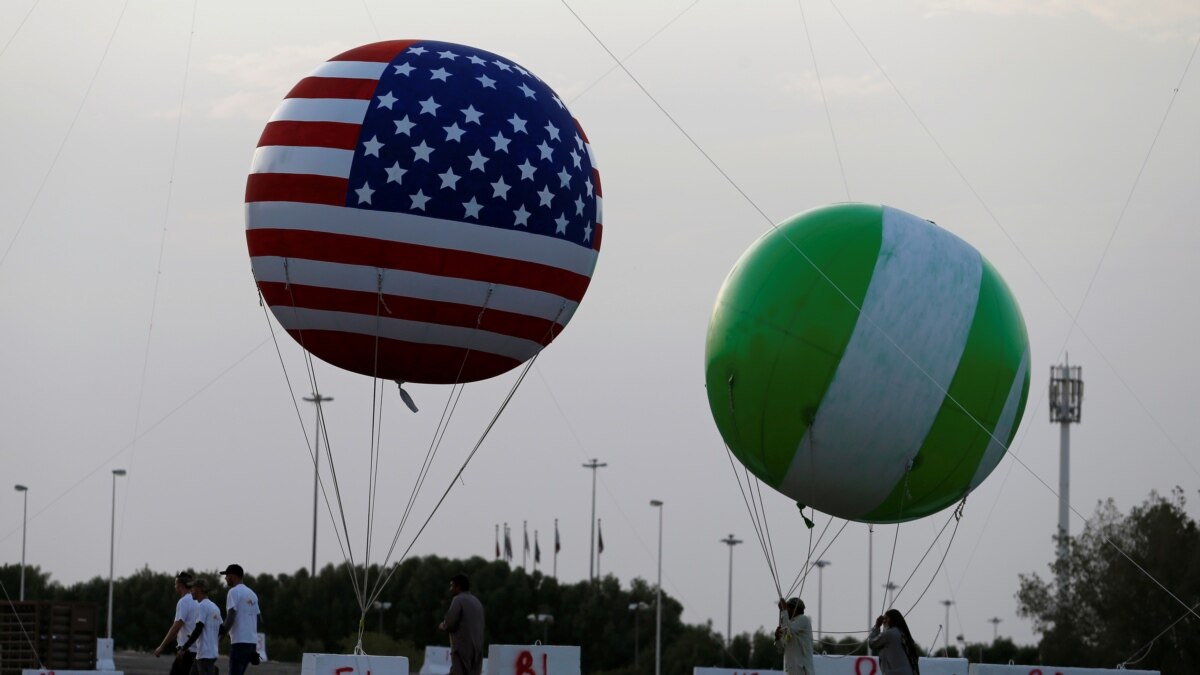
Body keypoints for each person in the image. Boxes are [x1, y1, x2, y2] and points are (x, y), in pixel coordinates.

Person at [154, 572, 200, 675]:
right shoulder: (198, 601)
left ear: (180, 586)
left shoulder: (184, 602)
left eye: (175, 584)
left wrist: (162, 646)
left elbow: (176, 626)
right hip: (198, 650)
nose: (175, 587)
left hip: (186, 652)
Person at [438, 573, 484, 675]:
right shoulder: (477, 601)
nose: (450, 589)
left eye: (451, 586)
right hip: (477, 649)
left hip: (462, 649)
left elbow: (450, 623)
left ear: (458, 586)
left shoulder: (458, 599)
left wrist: (442, 626)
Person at [219, 564, 261, 675]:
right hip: (251, 644)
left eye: (227, 575)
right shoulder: (252, 594)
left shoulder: (233, 592)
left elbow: (231, 616)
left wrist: (221, 635)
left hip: (239, 643)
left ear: (233, 576)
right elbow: (257, 620)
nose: (225, 578)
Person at [868, 609, 921, 675]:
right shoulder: (902, 633)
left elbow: (872, 643)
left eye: (886, 618)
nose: (883, 622)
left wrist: (877, 626)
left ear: (892, 620)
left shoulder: (889, 634)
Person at [187, 578, 222, 675]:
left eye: (192, 589)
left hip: (205, 654)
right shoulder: (215, 607)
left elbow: (199, 628)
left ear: (198, 589)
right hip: (211, 652)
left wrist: (185, 647)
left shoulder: (201, 606)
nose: (191, 591)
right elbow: (222, 629)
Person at [773, 597, 815, 675]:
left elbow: (789, 630)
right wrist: (777, 639)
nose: (787, 609)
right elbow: (781, 649)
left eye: (788, 607)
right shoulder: (789, 623)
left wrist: (783, 611)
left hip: (803, 671)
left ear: (796, 609)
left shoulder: (803, 619)